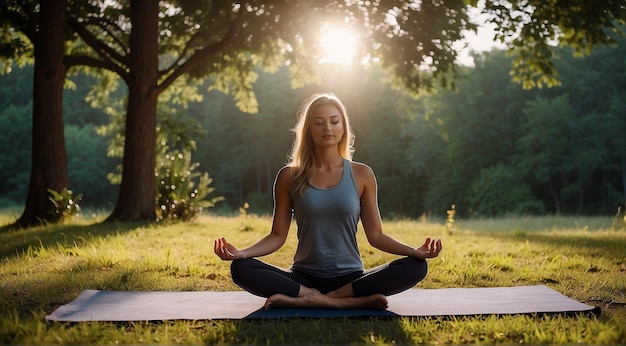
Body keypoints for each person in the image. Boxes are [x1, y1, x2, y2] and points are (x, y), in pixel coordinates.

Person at [214, 93, 442, 310]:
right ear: (309, 130)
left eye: (334, 121)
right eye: (319, 122)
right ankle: (343, 302)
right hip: (303, 278)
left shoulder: (362, 174)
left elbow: (376, 236)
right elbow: (277, 236)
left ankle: (316, 300)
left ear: (344, 128)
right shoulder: (288, 176)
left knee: (416, 266)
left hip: (350, 279)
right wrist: (243, 253)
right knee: (242, 268)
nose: (328, 128)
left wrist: (414, 251)